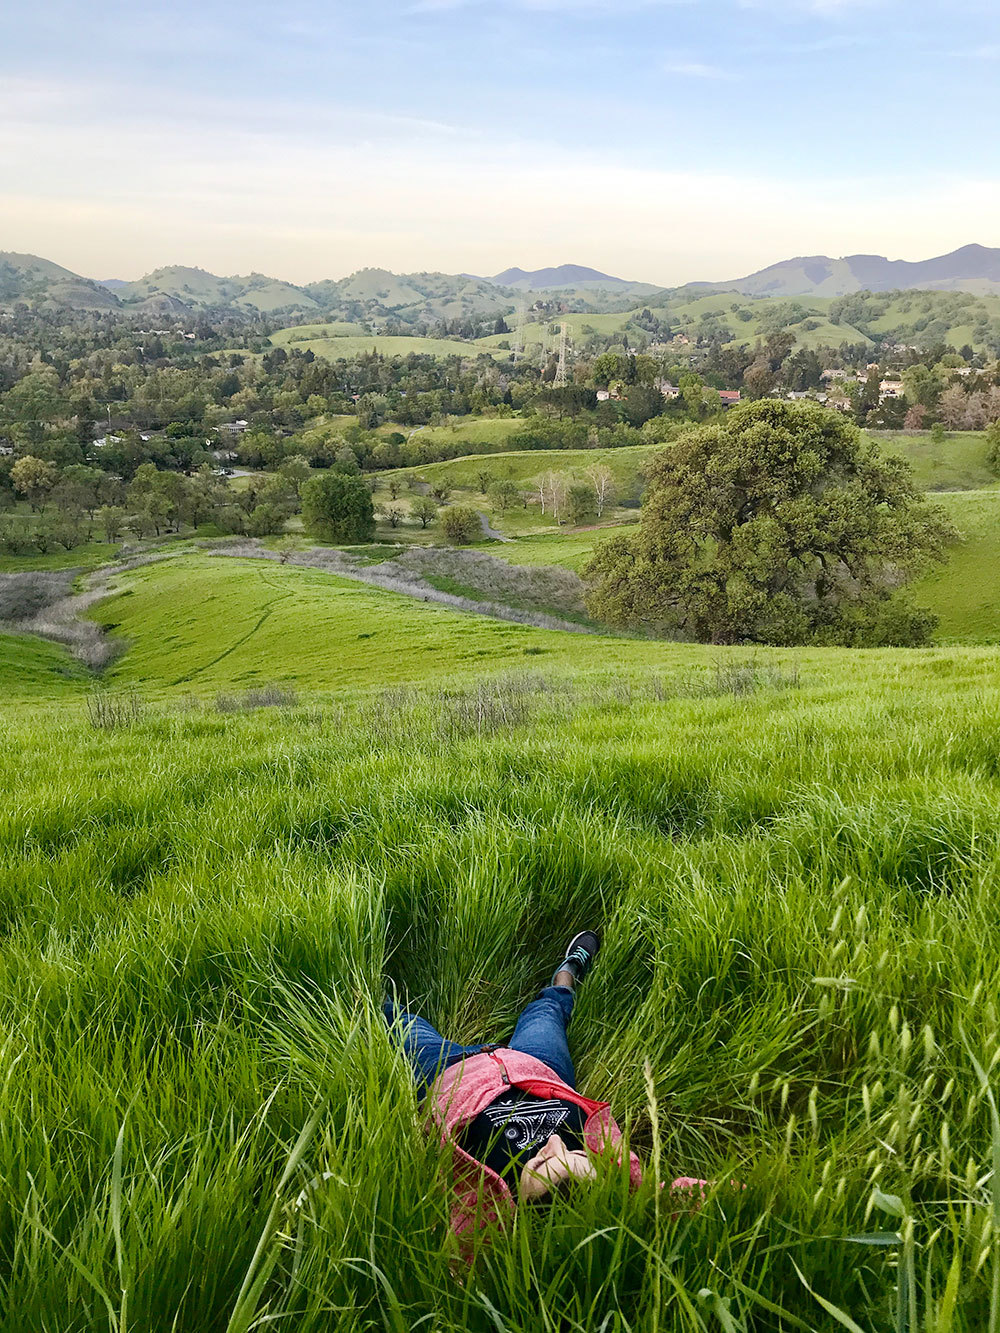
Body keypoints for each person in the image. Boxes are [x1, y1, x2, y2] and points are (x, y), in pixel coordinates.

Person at [383, 930, 705, 1242]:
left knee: (398, 1023)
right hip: (538, 1067)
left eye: (540, 1162)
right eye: (575, 1152)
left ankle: (365, 981)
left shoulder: (483, 1203)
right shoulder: (613, 1176)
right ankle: (569, 970)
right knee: (547, 1011)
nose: (553, 1143)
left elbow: (462, 1262)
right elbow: (684, 1197)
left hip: (452, 1073)